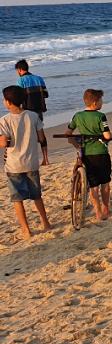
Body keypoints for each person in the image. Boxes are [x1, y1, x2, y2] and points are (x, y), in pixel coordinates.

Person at [0, 86, 51, 240]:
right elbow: (41, 138)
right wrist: (44, 157)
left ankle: (26, 229)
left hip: (14, 165)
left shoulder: (4, 120)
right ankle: (46, 223)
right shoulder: (33, 116)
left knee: (17, 199)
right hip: (31, 163)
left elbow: (4, 143)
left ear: (8, 102)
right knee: (37, 196)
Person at [67, 89, 112, 221]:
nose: (102, 103)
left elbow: (68, 132)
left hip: (86, 154)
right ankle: (105, 209)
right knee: (105, 182)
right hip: (101, 153)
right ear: (94, 103)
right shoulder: (100, 116)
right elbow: (107, 135)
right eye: (101, 101)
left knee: (93, 184)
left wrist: (75, 144)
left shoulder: (77, 116)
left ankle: (97, 211)